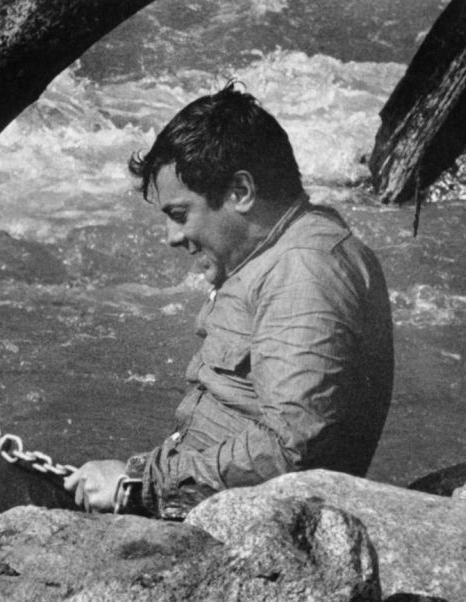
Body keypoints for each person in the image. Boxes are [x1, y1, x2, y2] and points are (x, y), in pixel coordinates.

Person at [64, 84, 394, 519]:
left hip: (236, 530)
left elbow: (293, 453)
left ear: (240, 191)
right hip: (193, 500)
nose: (172, 238)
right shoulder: (280, 253)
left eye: (180, 215)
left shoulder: (304, 270)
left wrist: (138, 486)